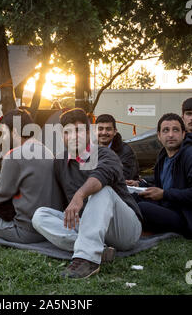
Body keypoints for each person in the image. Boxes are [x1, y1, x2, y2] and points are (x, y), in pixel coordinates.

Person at [32, 108, 143, 279]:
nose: (74, 136)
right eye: (68, 132)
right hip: (87, 224)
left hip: (123, 228)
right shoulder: (60, 162)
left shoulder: (106, 154)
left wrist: (79, 195)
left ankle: (86, 259)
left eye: (78, 131)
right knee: (40, 215)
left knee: (102, 190)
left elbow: (101, 175)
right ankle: (100, 249)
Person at [0, 109, 64, 243]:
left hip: (27, 231)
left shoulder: (14, 156)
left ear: (14, 132)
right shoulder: (47, 151)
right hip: (50, 227)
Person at [137, 113, 192, 237]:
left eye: (175, 130)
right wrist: (140, 183)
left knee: (142, 207)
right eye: (165, 130)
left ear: (183, 134)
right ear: (159, 135)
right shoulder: (163, 156)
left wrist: (164, 194)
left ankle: (139, 230)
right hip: (169, 205)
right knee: (132, 197)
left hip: (190, 217)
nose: (170, 135)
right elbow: (167, 181)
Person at [95, 114, 140, 180]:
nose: (104, 132)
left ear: (115, 132)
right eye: (100, 129)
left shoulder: (126, 151)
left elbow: (123, 176)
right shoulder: (88, 149)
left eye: (108, 129)